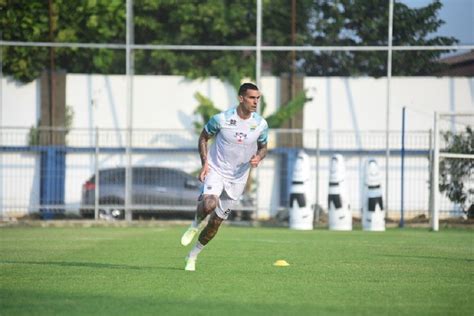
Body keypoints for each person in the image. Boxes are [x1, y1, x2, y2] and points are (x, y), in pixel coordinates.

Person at [180, 82, 269, 271]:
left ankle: (193, 255)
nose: (255, 101)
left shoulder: (260, 124)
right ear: (241, 98)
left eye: (258, 98)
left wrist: (258, 157)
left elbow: (263, 147)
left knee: (215, 224)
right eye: (252, 97)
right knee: (209, 204)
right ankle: (195, 224)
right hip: (216, 170)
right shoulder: (221, 119)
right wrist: (205, 163)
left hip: (238, 179)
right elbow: (204, 137)